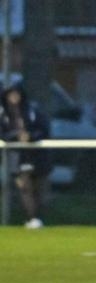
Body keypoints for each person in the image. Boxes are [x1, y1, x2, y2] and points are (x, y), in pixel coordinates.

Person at [0, 82, 52, 229]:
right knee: (24, 186)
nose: (13, 97)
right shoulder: (4, 115)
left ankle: (37, 217)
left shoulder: (32, 111)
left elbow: (44, 129)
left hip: (36, 154)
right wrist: (16, 136)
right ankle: (32, 218)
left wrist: (30, 137)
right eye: (10, 94)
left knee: (38, 188)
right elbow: (3, 134)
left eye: (16, 93)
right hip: (17, 156)